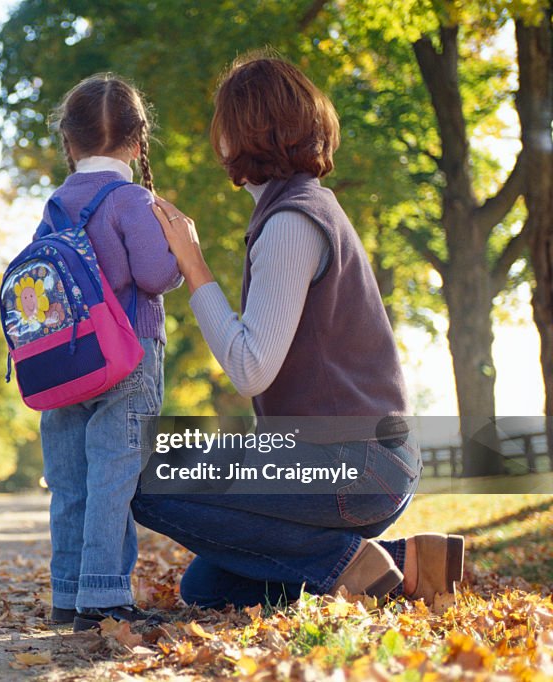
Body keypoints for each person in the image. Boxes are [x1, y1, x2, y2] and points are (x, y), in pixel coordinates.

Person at [135, 54, 463, 608]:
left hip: (355, 466)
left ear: (236, 136)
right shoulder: (303, 210)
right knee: (210, 586)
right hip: (363, 463)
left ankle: (342, 561)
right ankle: (409, 561)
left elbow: (249, 368)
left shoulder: (291, 223)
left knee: (144, 478)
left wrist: (192, 264)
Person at [38, 73, 182, 630]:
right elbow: (153, 274)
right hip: (128, 356)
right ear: (138, 140)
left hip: (62, 362)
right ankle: (102, 602)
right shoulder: (130, 199)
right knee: (112, 482)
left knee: (70, 485)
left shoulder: (56, 201)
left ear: (68, 143)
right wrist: (176, 249)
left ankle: (68, 594)